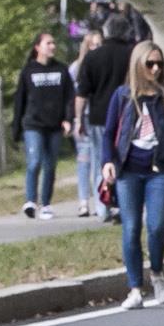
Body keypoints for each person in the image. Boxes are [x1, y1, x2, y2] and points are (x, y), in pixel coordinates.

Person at [101, 43, 164, 309]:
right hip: (128, 170)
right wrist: (107, 162)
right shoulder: (123, 96)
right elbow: (108, 133)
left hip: (158, 171)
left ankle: (157, 273)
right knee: (130, 228)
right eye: (150, 64)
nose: (155, 69)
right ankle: (134, 288)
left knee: (156, 226)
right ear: (138, 65)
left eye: (159, 64)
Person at [72, 13, 136, 222]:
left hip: (99, 116)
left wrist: (78, 119)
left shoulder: (92, 57)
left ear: (106, 32)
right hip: (128, 115)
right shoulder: (132, 55)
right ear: (126, 32)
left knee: (102, 159)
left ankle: (103, 206)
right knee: (125, 160)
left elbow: (82, 93)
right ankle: (122, 205)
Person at [11, 32, 72, 220]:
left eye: (54, 43)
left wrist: (68, 119)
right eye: (48, 43)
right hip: (33, 124)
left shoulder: (61, 70)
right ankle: (30, 201)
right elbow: (19, 100)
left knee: (50, 165)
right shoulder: (28, 71)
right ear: (38, 47)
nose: (53, 46)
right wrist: (16, 128)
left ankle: (46, 204)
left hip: (54, 126)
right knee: (34, 161)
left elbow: (69, 97)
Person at [70, 30, 103, 216]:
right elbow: (74, 96)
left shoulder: (103, 64)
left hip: (97, 116)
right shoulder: (76, 68)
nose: (97, 48)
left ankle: (100, 201)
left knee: (99, 159)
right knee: (84, 159)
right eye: (93, 45)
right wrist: (76, 119)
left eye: (99, 44)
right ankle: (83, 201)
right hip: (84, 117)